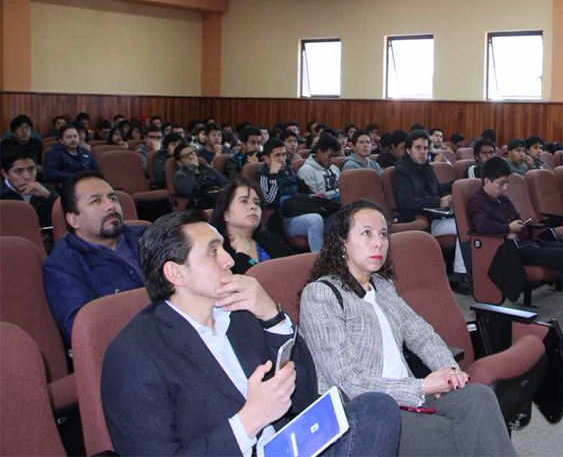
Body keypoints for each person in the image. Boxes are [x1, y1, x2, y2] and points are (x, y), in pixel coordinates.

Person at [101, 209, 401, 457]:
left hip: (289, 447)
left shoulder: (242, 313)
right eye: (213, 252)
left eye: (224, 248)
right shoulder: (134, 355)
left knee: (376, 407)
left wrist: (272, 316)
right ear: (175, 273)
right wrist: (249, 420)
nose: (229, 260)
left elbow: (306, 396)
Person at [299, 200, 517, 456]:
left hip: (409, 392)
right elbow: (347, 381)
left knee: (479, 398)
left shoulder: (382, 286)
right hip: (368, 410)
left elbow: (421, 333)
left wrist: (449, 371)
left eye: (383, 234)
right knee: (450, 435)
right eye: (366, 233)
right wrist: (421, 387)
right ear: (341, 242)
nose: (378, 242)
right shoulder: (321, 295)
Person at [472, 158, 563, 338]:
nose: (504, 188)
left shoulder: (503, 199)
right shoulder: (478, 201)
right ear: (486, 181)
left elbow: (517, 218)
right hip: (512, 250)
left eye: (507, 183)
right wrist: (507, 229)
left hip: (529, 241)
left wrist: (517, 225)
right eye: (501, 184)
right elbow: (482, 227)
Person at [43, 172, 145, 344]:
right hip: (130, 347)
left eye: (112, 198)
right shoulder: (62, 265)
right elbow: (83, 329)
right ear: (74, 219)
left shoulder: (146, 235)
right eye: (96, 201)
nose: (110, 206)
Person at [393, 130, 468, 285]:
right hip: (419, 221)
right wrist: (438, 202)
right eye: (418, 148)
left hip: (436, 217)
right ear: (408, 150)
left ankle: (464, 272)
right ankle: (460, 275)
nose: (423, 152)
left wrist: (454, 189)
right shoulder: (401, 171)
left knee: (466, 223)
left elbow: (436, 189)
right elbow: (406, 202)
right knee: (463, 226)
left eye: (426, 148)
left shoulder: (426, 167)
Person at [209, 179, 294, 274]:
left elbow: (296, 266)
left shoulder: (267, 240)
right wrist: (241, 253)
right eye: (244, 201)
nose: (253, 207)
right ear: (226, 214)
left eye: (257, 203)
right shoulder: (216, 249)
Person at [258, 139, 325, 253]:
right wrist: (273, 174)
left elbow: (304, 188)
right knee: (315, 219)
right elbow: (270, 201)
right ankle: (320, 263)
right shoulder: (262, 175)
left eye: (284, 155)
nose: (282, 159)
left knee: (334, 215)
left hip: (299, 210)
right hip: (283, 219)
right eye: (277, 156)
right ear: (266, 158)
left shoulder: (289, 169)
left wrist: (314, 197)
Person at [1, 146, 57, 227]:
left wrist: (48, 196)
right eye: (19, 171)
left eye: (31, 169)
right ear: (5, 173)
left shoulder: (45, 189)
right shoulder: (2, 195)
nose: (27, 176)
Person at [172, 143, 229, 210]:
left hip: (217, 199)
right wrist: (192, 168)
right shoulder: (179, 175)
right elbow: (187, 190)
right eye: (186, 156)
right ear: (179, 162)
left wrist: (221, 190)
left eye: (192, 153)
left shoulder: (204, 168)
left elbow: (225, 182)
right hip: (200, 205)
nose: (191, 157)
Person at [298, 134, 341, 202]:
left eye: (335, 156)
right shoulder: (306, 171)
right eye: (330, 156)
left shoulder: (334, 168)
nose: (333, 160)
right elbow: (312, 199)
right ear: (319, 152)